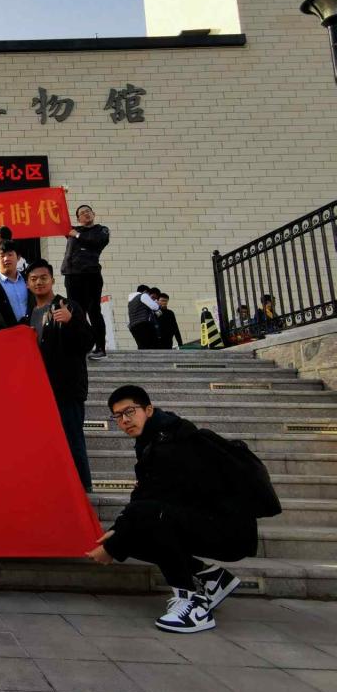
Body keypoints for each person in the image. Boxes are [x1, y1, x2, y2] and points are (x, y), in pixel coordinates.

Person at [87, 385, 257, 633]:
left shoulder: (174, 442)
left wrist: (114, 545)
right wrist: (118, 531)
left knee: (150, 521)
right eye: (118, 416)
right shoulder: (152, 439)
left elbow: (152, 504)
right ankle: (211, 578)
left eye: (130, 411)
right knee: (134, 532)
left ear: (148, 410)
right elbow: (143, 495)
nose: (124, 420)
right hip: (203, 519)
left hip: (229, 528)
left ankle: (193, 605)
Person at [25, 259, 94, 492]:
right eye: (33, 279)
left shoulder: (68, 306)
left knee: (73, 441)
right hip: (40, 391)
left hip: (66, 390)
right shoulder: (29, 314)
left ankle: (84, 492)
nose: (39, 282)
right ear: (27, 284)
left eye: (43, 278)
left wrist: (71, 321)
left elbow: (87, 342)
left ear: (53, 280)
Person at [61, 204, 111, 360]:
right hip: (72, 276)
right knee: (76, 312)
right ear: (78, 218)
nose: (86, 214)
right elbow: (57, 220)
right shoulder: (72, 230)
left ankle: (100, 348)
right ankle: (82, 345)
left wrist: (77, 235)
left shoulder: (101, 230)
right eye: (82, 213)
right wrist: (59, 196)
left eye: (88, 211)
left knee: (93, 311)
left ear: (93, 214)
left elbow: (97, 242)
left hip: (91, 275)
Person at [0, 240, 31, 327]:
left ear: (18, 257)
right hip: (4, 332)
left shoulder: (29, 280)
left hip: (32, 330)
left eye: (10, 255)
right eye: (2, 255)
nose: (6, 259)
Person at [127, 284, 161, 349]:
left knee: (142, 346)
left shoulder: (131, 301)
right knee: (151, 345)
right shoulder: (143, 295)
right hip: (143, 325)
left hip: (133, 326)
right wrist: (158, 305)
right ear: (145, 291)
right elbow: (155, 307)